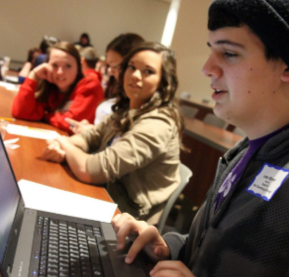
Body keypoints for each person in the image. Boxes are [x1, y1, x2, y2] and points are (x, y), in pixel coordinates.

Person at [111, 0, 289, 277]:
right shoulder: (249, 149)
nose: (208, 68)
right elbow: (214, 250)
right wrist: (168, 248)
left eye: (229, 53)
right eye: (211, 51)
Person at [43, 42, 184, 225]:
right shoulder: (127, 109)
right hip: (108, 193)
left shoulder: (158, 125)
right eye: (132, 67)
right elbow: (90, 137)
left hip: (128, 217)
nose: (135, 75)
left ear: (163, 81)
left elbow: (89, 170)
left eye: (147, 71)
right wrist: (62, 148)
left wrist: (64, 143)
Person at [11, 41, 103, 133]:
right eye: (54, 65)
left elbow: (72, 124)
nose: (60, 72)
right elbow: (20, 112)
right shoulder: (50, 86)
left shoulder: (90, 84)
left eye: (68, 66)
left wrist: (46, 115)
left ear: (79, 67)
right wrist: (33, 75)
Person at [66, 33, 145, 132]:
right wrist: (92, 130)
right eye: (109, 66)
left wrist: (91, 132)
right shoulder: (121, 95)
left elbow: (118, 141)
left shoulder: (139, 105)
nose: (110, 71)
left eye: (115, 66)